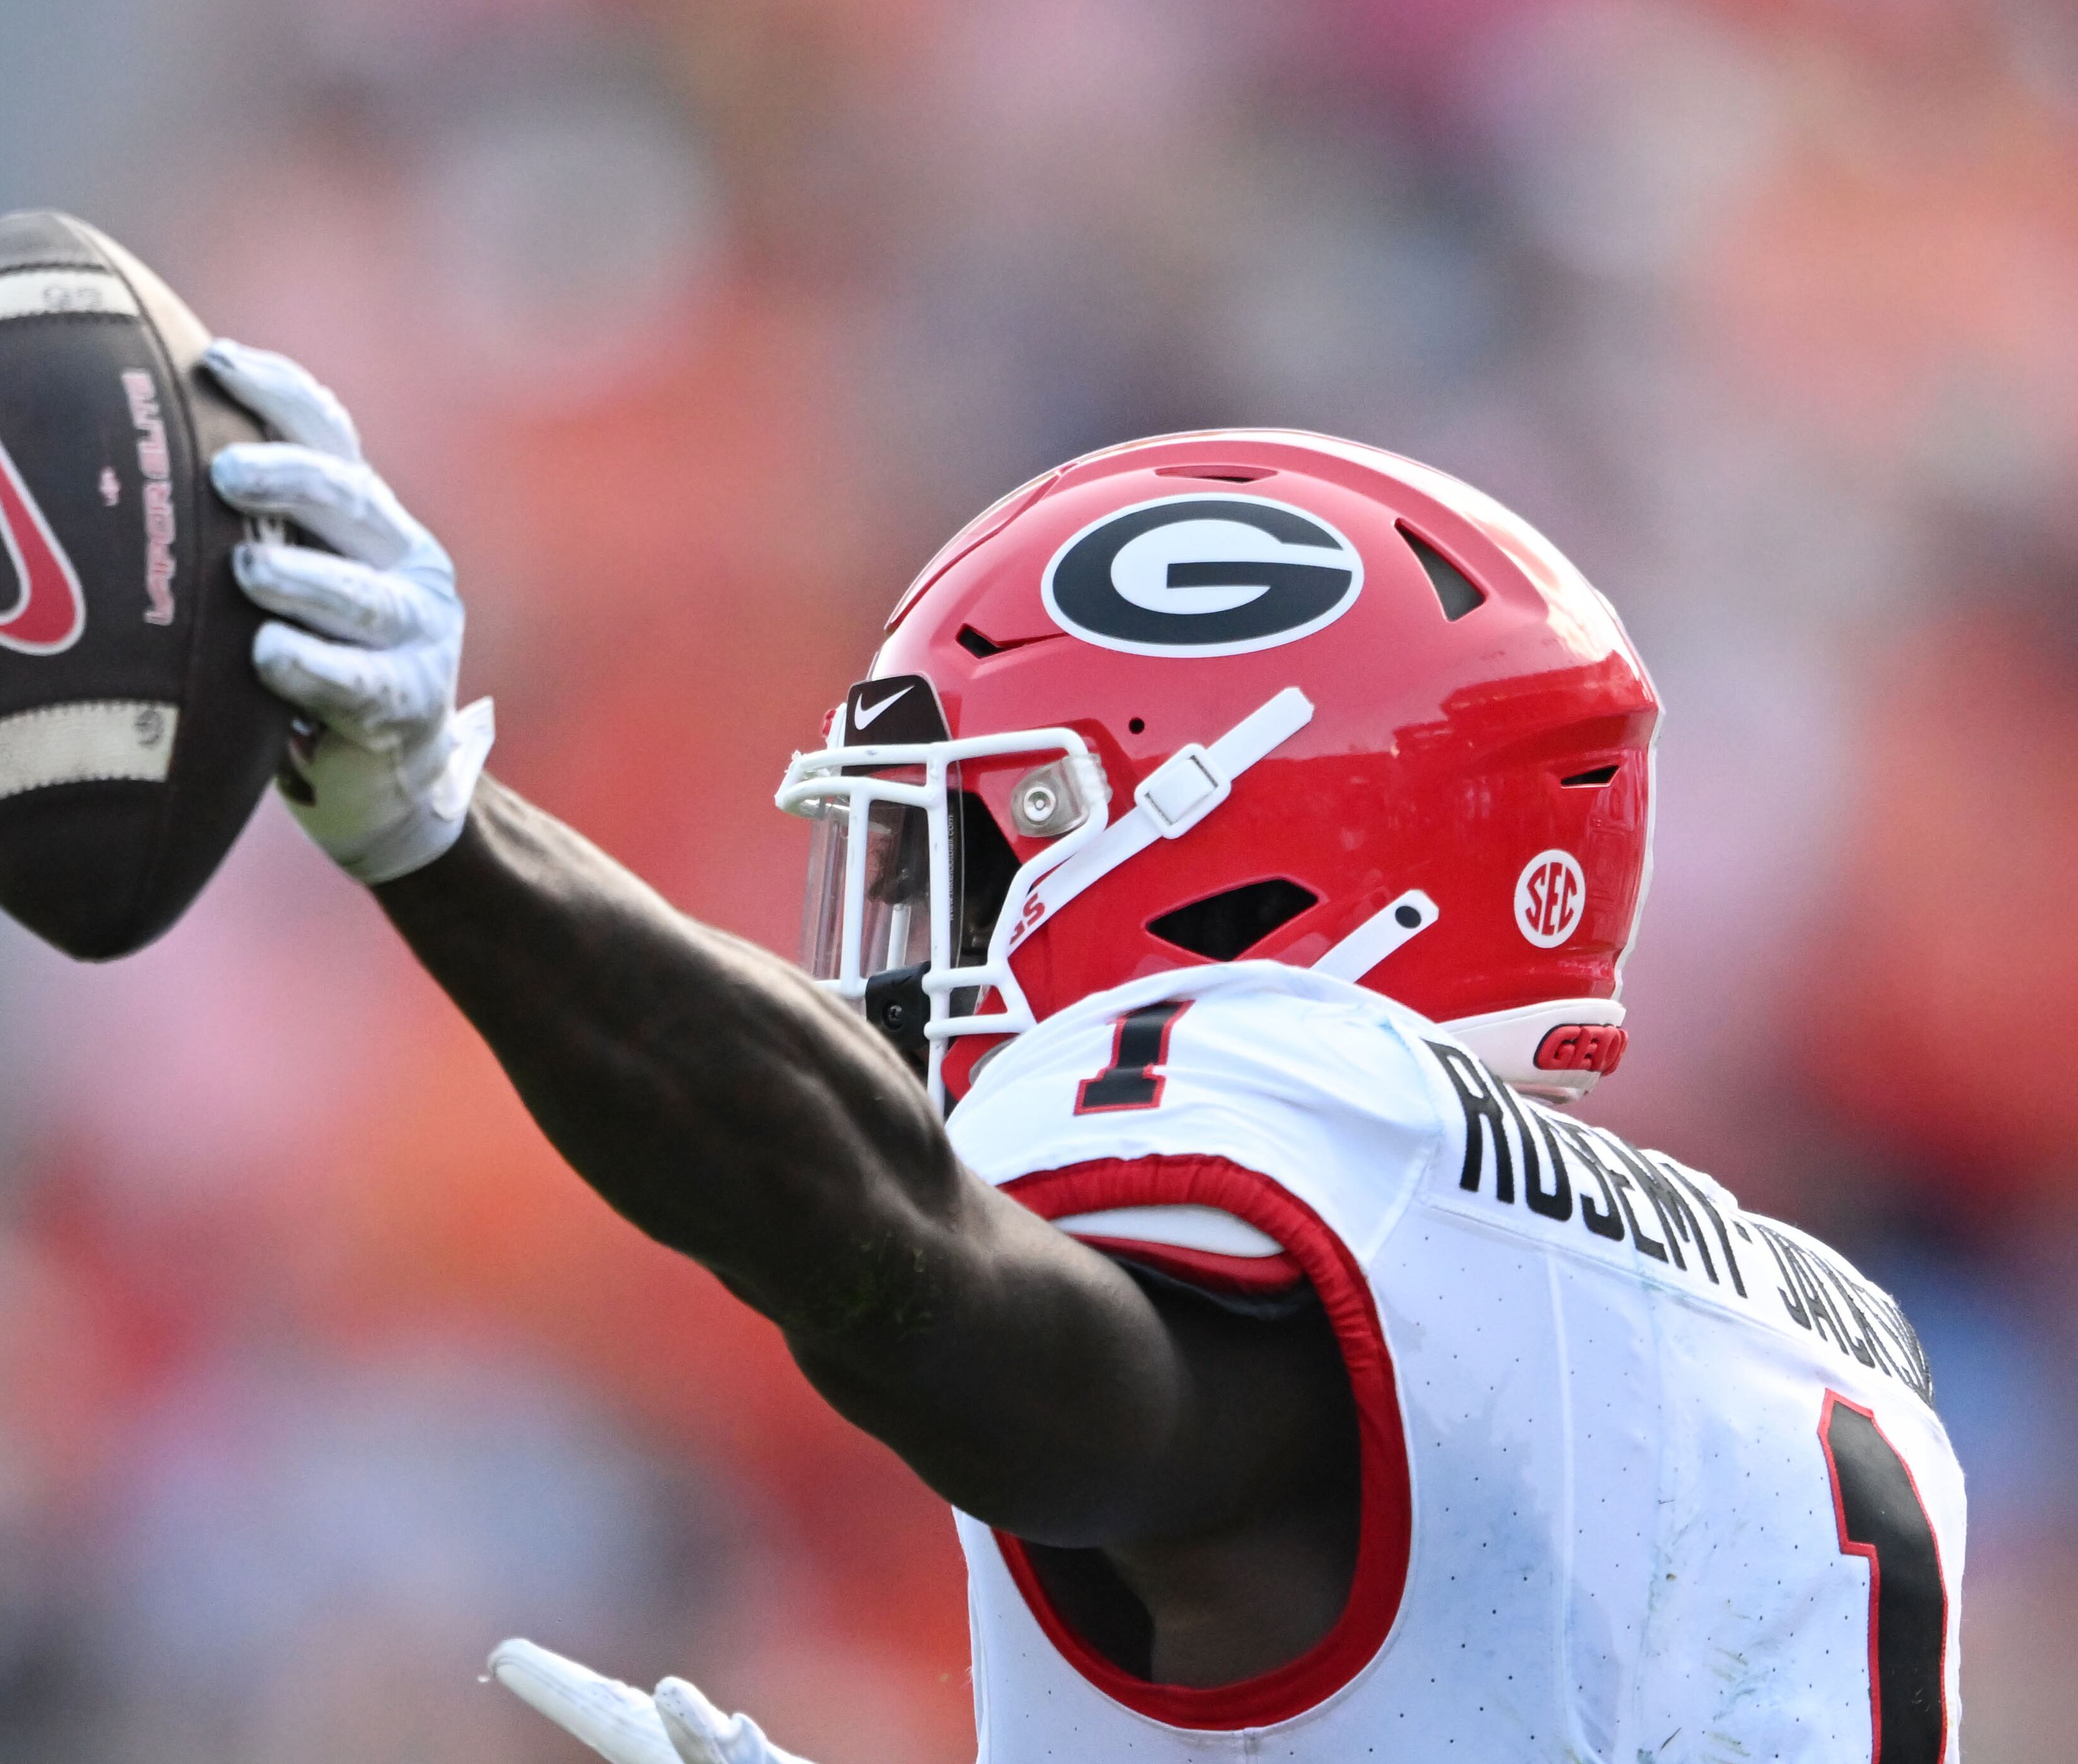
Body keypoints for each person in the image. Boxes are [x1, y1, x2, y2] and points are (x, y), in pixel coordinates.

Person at [200, 338, 1966, 1763]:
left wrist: (441, 835)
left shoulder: (1331, 1158)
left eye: (970, 855)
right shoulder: (1790, 1319)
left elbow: (953, 1308)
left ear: (1228, 866)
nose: (913, 960)